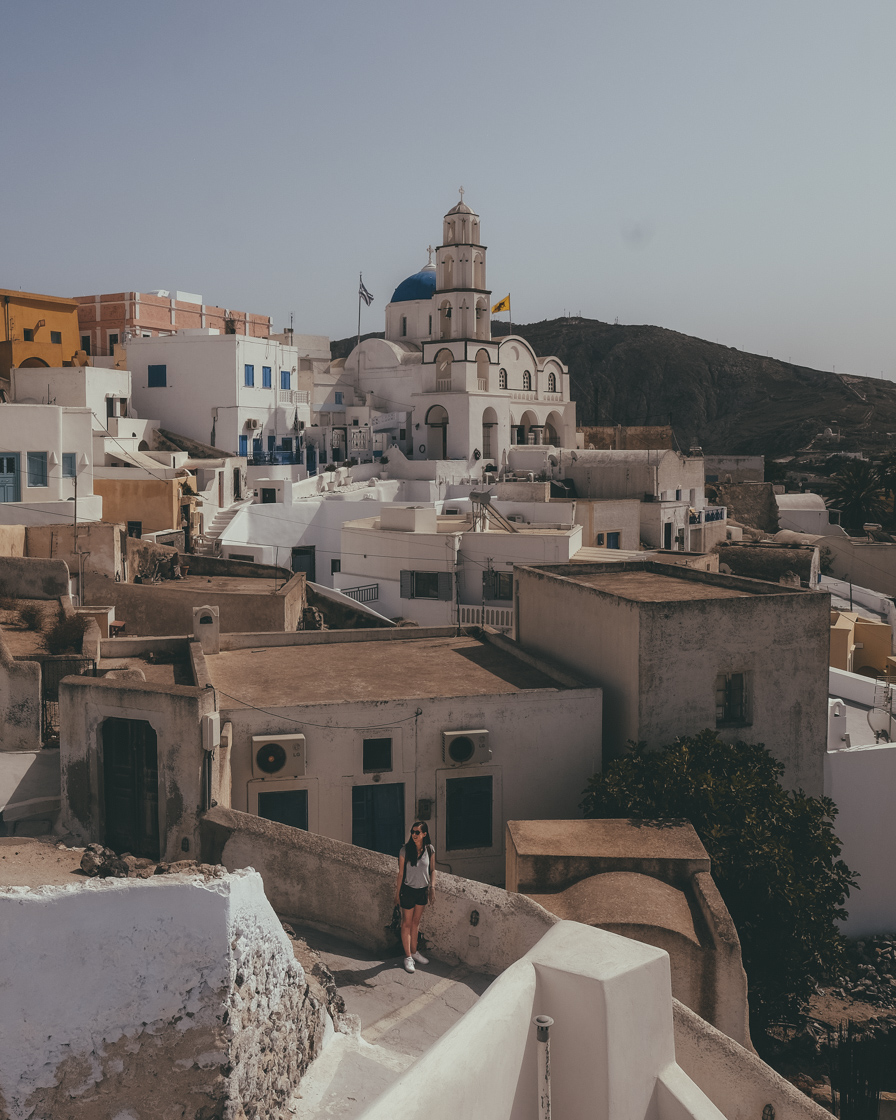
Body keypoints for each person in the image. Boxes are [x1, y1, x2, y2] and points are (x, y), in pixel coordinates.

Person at [394, 821, 435, 972]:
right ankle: (408, 957)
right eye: (412, 832)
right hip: (408, 891)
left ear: (424, 834)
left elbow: (432, 870)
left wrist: (432, 887)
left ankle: (414, 952)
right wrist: (397, 894)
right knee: (406, 923)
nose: (414, 835)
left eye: (417, 832)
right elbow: (400, 874)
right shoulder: (405, 850)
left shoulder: (430, 850)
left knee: (416, 923)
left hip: (422, 891)